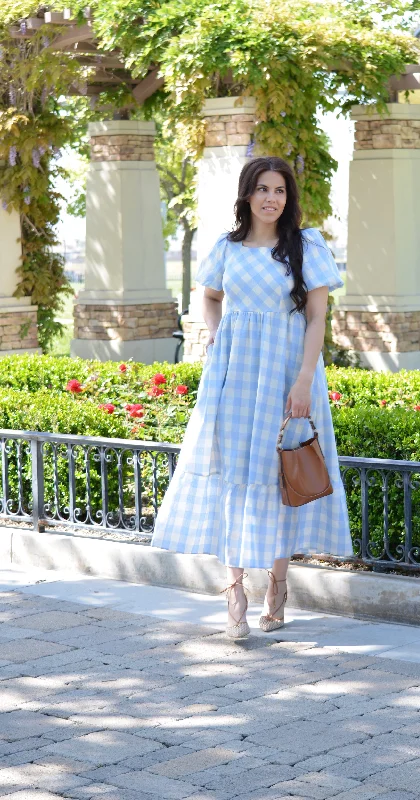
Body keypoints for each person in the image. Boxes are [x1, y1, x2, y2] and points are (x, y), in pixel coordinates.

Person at [150, 155, 354, 638]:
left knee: (280, 473)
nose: (271, 198)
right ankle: (236, 589)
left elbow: (318, 319)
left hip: (288, 372)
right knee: (236, 472)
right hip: (234, 375)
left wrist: (303, 381)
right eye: (262, 188)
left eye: (280, 190)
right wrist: (218, 334)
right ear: (247, 194)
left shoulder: (306, 246)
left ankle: (278, 587)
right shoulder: (228, 247)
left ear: (289, 197)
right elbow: (209, 295)